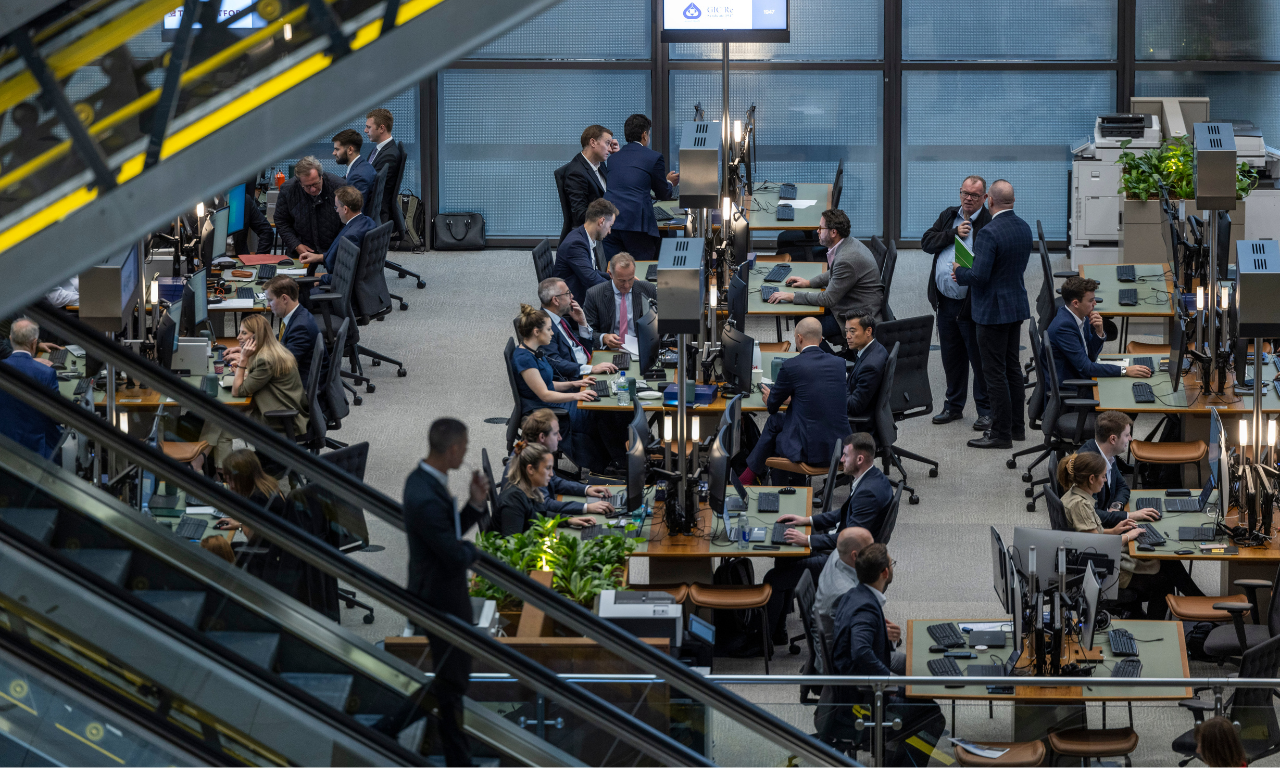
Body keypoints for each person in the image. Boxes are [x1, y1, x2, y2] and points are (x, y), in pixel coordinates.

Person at [403, 418, 489, 768]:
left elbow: (448, 533)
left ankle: (454, 754)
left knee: (450, 683)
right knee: (452, 684)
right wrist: (478, 553)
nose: (466, 453)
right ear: (453, 450)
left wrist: (474, 505)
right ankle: (457, 757)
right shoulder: (424, 496)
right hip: (439, 598)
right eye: (465, 448)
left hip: (443, 593)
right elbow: (453, 553)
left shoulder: (426, 482)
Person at [765, 431, 893, 640]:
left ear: (859, 459)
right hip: (846, 549)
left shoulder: (868, 493)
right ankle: (779, 629)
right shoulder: (871, 478)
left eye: (845, 455)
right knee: (787, 555)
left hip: (846, 563)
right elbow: (843, 513)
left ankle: (766, 641)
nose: (841, 460)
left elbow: (846, 541)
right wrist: (808, 520)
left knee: (773, 578)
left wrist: (806, 540)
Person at [829, 543, 944, 765]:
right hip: (862, 700)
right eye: (891, 563)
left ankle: (895, 755)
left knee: (920, 695)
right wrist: (889, 684)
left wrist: (889, 637)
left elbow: (866, 641)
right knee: (932, 715)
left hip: (855, 690)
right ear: (884, 572)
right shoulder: (865, 608)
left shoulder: (855, 594)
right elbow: (861, 651)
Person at [1058, 452, 1203, 619]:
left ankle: (1203, 605)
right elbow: (1096, 545)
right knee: (1164, 581)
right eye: (1103, 476)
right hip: (1105, 570)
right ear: (1092, 479)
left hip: (1099, 560)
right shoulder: (1080, 505)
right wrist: (1128, 536)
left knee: (1168, 563)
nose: (1105, 480)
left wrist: (1115, 530)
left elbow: (1091, 534)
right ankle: (1156, 626)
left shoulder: (1075, 495)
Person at [953, 179, 1032, 449]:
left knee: (994, 374)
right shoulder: (1024, 227)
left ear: (990, 201)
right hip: (1015, 306)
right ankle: (1016, 428)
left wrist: (959, 272)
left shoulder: (988, 232)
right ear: (1013, 200)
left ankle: (1000, 435)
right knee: (1012, 368)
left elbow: (979, 276)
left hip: (992, 313)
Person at [739, 317, 847, 486]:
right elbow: (822, 396)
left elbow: (773, 406)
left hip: (810, 450)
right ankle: (775, 482)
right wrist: (796, 398)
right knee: (776, 423)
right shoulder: (839, 364)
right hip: (838, 446)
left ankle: (753, 477)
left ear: (798, 338)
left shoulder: (791, 366)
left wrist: (771, 399)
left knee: (776, 432)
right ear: (820, 340)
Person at [923, 175, 993, 430]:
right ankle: (953, 406)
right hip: (945, 301)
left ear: (985, 198)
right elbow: (926, 243)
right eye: (965, 193)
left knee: (978, 357)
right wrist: (953, 233)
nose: (968, 199)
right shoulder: (949, 215)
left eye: (975, 195)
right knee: (951, 356)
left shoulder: (987, 223)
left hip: (972, 304)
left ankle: (985, 410)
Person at [513, 304, 613, 470]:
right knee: (598, 412)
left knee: (600, 407)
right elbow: (545, 394)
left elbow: (548, 383)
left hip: (550, 401)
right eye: (549, 329)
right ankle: (608, 464)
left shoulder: (534, 351)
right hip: (544, 407)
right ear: (537, 332)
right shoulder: (524, 359)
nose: (552, 333)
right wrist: (576, 395)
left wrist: (575, 384)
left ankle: (613, 459)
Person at [200, 314, 308, 465]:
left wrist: (243, 360)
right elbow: (258, 376)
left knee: (220, 420)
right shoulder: (272, 350)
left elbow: (237, 391)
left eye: (244, 333)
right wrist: (243, 367)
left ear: (257, 337)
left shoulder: (265, 360)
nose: (238, 337)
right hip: (279, 407)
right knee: (220, 418)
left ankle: (206, 467)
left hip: (278, 418)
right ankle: (217, 474)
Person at [766, 209, 883, 340]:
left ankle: (826, 360)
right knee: (800, 315)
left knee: (804, 330)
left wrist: (792, 296)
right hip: (849, 302)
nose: (817, 231)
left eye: (821, 228)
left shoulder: (847, 259)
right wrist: (808, 283)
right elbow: (834, 272)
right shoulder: (847, 243)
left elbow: (828, 299)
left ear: (834, 232)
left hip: (854, 316)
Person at [501, 409, 615, 519]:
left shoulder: (522, 445)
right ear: (542, 437)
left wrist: (586, 489)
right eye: (556, 434)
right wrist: (587, 507)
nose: (560, 438)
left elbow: (555, 481)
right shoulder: (532, 461)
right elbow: (546, 504)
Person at [1049, 276, 1152, 395]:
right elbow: (1086, 368)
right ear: (1076, 303)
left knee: (1127, 384)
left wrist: (1099, 332)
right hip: (1072, 386)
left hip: (1080, 375)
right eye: (1090, 300)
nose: (1095, 303)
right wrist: (1124, 370)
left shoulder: (1082, 316)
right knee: (1127, 394)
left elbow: (1090, 356)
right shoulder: (1064, 327)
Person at [602, 113, 677, 260]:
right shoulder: (654, 157)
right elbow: (663, 194)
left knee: (616, 270)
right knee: (643, 269)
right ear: (644, 135)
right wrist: (669, 182)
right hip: (636, 224)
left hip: (610, 222)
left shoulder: (613, 159)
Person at [497, 442, 599, 535]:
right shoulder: (513, 502)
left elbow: (539, 515)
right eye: (547, 468)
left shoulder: (531, 490)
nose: (551, 474)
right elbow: (512, 548)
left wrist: (567, 520)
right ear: (531, 469)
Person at [1080, 411, 1160, 524]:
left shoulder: (1108, 454)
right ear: (1113, 439)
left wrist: (1116, 506)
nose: (1130, 438)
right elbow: (1092, 515)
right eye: (1127, 435)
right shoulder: (1089, 467)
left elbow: (1122, 486)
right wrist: (1129, 515)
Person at [0, 318, 61, 459]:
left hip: (5, 449)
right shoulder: (47, 373)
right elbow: (56, 416)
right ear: (34, 343)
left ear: (10, 339)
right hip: (39, 450)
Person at [537, 277, 617, 379]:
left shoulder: (560, 319)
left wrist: (582, 323)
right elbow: (555, 363)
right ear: (556, 300)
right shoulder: (543, 327)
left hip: (586, 365)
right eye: (567, 293)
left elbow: (583, 350)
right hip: (574, 379)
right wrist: (591, 369)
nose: (572, 296)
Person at [583, 252, 657, 355]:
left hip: (641, 349)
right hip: (609, 351)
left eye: (630, 279)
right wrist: (603, 338)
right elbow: (587, 332)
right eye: (621, 281)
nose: (627, 285)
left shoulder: (649, 290)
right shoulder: (594, 294)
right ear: (610, 274)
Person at [274, 156, 345, 261]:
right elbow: (281, 221)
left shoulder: (339, 187)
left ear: (321, 177)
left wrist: (335, 248)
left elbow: (348, 222)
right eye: (307, 186)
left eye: (315, 184)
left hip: (333, 249)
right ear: (299, 183)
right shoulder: (288, 190)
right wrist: (296, 245)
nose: (312, 189)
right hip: (301, 249)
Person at [303, 185, 374, 286]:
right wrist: (319, 257)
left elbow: (345, 276)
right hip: (362, 282)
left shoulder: (351, 237)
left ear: (345, 209)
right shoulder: (367, 221)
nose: (336, 211)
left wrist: (319, 280)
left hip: (341, 287)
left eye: (336, 207)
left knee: (301, 291)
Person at [812, 526, 874, 642]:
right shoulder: (846, 594)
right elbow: (856, 643)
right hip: (837, 655)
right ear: (854, 555)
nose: (874, 553)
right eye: (870, 549)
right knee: (904, 660)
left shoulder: (839, 554)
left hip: (835, 636)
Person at [560, 124, 617, 239]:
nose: (610, 149)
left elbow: (614, 189)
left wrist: (617, 157)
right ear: (593, 142)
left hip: (607, 226)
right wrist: (611, 216)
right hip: (595, 234)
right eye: (607, 143)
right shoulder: (576, 173)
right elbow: (580, 215)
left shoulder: (600, 164)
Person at [554, 198, 615, 303]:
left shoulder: (583, 236)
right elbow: (591, 279)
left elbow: (592, 272)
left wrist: (617, 278)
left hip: (579, 290)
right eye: (610, 226)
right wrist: (619, 287)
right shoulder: (576, 244)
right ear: (601, 221)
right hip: (573, 300)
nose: (609, 231)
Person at [843, 312, 888, 419]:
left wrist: (840, 380)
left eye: (852, 332)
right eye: (846, 331)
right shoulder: (877, 348)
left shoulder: (870, 366)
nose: (847, 336)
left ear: (868, 331)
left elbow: (855, 407)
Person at [364, 108, 404, 226]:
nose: (365, 130)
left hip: (376, 213)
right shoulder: (379, 149)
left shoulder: (389, 156)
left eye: (369, 127)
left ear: (381, 128)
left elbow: (370, 185)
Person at [331, 128, 376, 207]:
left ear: (350, 150)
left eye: (337, 149)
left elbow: (355, 213)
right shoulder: (362, 166)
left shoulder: (358, 177)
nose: (333, 153)